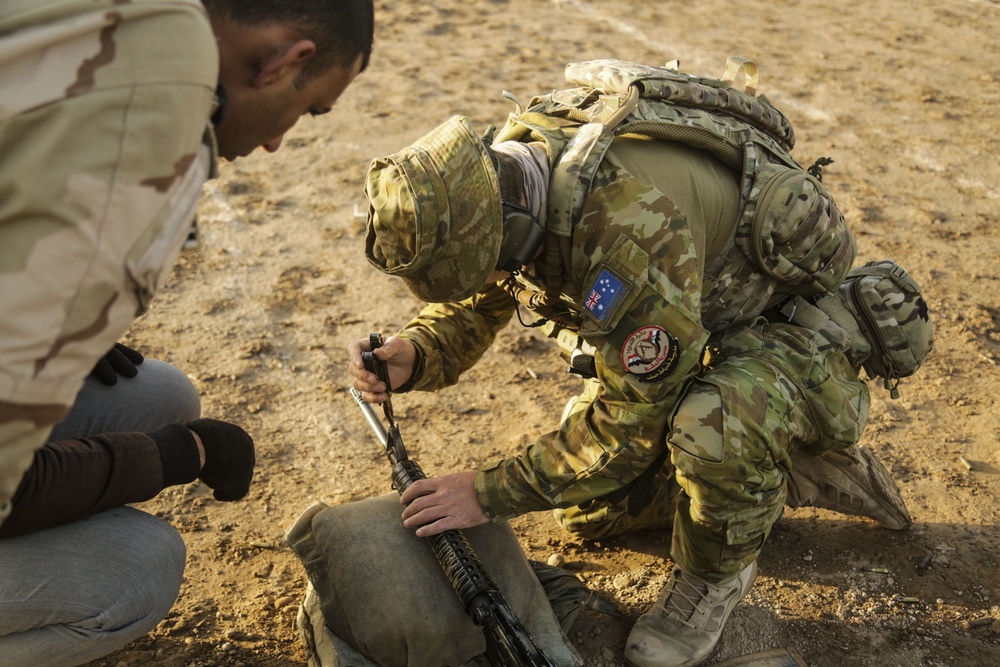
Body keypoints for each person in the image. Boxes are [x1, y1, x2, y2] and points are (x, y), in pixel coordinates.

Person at [348, 79, 927, 667]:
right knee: (590, 510)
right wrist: (420, 350)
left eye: (494, 263)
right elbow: (491, 281)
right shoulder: (506, 172)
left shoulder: (629, 227)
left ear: (512, 226)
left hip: (780, 332)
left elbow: (626, 427)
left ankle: (721, 563)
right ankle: (768, 474)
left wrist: (487, 491)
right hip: (693, 313)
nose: (495, 277)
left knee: (713, 424)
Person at [0, 0, 373, 665]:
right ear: (289, 60)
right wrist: (178, 456)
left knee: (158, 392)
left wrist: (67, 336)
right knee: (138, 566)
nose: (277, 140)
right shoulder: (135, 153)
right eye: (309, 108)